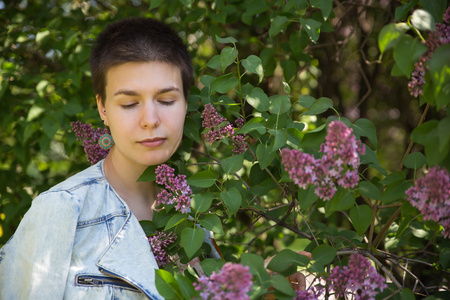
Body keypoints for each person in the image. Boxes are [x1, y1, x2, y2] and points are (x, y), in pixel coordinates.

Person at [0, 17, 308, 300]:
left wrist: (257, 284)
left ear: (186, 102)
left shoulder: (191, 220)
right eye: (130, 103)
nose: (150, 119)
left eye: (166, 100)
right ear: (102, 108)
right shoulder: (62, 210)